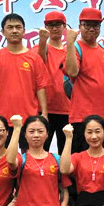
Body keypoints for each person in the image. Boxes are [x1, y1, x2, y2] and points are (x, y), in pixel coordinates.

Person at [0, 13, 49, 151]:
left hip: (28, 118)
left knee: (28, 156)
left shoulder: (34, 58)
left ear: (24, 31)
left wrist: (44, 113)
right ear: (3, 31)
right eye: (10, 27)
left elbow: (40, 87)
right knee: (2, 157)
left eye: (18, 27)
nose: (14, 31)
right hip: (1, 120)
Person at [64, 8, 104, 153]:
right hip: (84, 117)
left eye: (95, 25)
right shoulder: (75, 48)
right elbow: (72, 71)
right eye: (87, 25)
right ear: (80, 26)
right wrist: (70, 43)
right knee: (82, 160)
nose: (91, 29)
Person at [35, 11, 70, 153]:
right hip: (44, 110)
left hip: (67, 110)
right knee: (40, 151)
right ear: (46, 27)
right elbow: (39, 63)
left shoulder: (71, 51)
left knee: (66, 152)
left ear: (64, 26)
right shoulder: (40, 48)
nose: (54, 28)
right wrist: (42, 41)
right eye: (50, 25)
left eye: (58, 25)